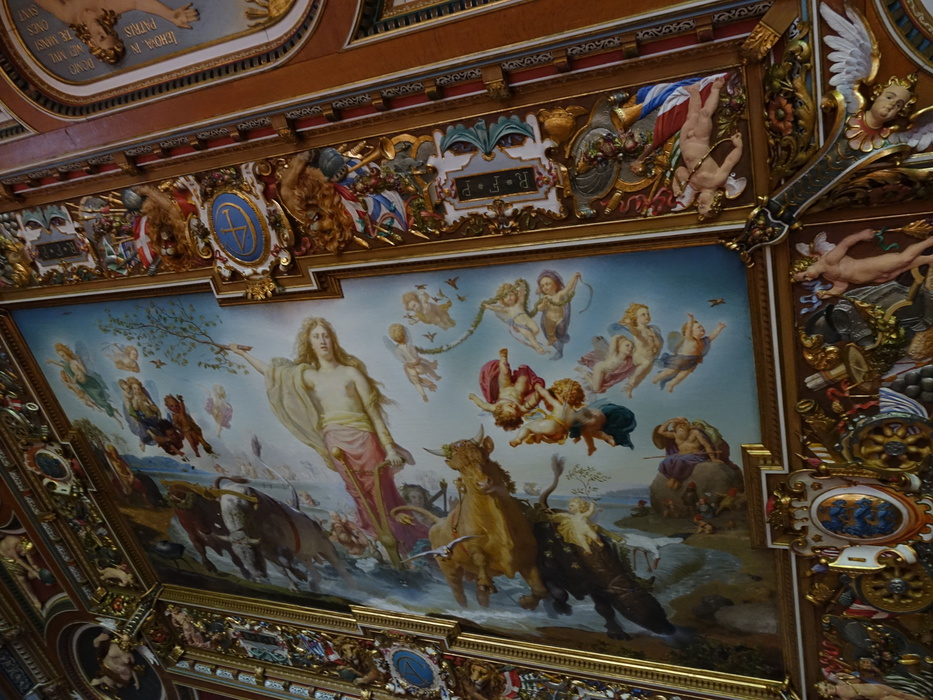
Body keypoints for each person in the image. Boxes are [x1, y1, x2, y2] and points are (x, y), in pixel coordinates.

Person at [225, 318, 428, 554]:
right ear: (310, 343)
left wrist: (390, 449)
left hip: (365, 441)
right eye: (316, 336)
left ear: (333, 340)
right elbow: (273, 373)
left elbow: (374, 415)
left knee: (382, 494)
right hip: (336, 444)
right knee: (359, 495)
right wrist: (242, 354)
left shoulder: (351, 373)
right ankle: (379, 544)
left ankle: (401, 542)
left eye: (325, 335)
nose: (322, 340)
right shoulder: (310, 376)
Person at [670, 77, 745, 221]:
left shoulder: (694, 186)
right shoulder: (717, 180)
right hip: (700, 141)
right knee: (704, 114)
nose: (698, 203)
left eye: (698, 206)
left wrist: (676, 186)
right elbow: (730, 161)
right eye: (703, 205)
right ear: (715, 200)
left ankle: (694, 92)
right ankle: (715, 89)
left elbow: (680, 171)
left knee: (691, 116)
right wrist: (738, 146)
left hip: (685, 144)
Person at [33, 0, 200, 65]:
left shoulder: (68, 14)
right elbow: (137, 2)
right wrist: (170, 15)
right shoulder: (108, 7)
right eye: (109, 33)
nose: (103, 30)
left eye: (101, 38)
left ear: (92, 42)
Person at [791, 228, 933, 297]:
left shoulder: (829, 260)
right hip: (876, 277)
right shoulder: (828, 275)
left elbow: (845, 244)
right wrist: (827, 294)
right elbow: (841, 286)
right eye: (806, 280)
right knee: (903, 268)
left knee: (904, 259)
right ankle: (929, 259)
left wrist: (861, 235)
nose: (808, 279)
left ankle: (928, 242)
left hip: (874, 266)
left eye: (805, 276)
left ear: (807, 265)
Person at [469, 348, 544, 430]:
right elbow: (533, 402)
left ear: (500, 410)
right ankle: (521, 370)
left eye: (510, 406)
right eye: (515, 409)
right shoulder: (521, 410)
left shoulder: (495, 407)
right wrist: (538, 393)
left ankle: (503, 357)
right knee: (523, 377)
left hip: (505, 387)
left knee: (505, 372)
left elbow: (482, 404)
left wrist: (473, 397)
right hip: (519, 390)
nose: (514, 405)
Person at [653, 417, 734, 490]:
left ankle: (674, 479)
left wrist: (713, 458)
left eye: (683, 424)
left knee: (680, 461)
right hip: (681, 456)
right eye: (678, 424)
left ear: (688, 426)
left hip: (695, 456)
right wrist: (670, 421)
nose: (681, 426)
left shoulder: (695, 432)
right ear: (675, 428)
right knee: (666, 461)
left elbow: (706, 444)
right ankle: (674, 479)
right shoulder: (675, 435)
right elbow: (660, 431)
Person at [652, 313, 726, 392]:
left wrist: (719, 328)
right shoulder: (690, 339)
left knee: (682, 376)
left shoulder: (704, 341)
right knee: (669, 372)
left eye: (702, 327)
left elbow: (712, 335)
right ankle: (657, 378)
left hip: (692, 362)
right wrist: (691, 320)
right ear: (692, 332)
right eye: (698, 327)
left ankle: (671, 384)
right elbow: (689, 330)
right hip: (681, 360)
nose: (702, 328)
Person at [509, 379, 586, 447]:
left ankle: (518, 439)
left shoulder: (558, 405)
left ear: (560, 396)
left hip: (552, 425)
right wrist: (577, 436)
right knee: (539, 422)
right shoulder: (574, 413)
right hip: (560, 435)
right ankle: (537, 437)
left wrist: (538, 387)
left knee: (527, 427)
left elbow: (545, 394)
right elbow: (578, 426)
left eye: (557, 395)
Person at [483, 281, 549, 354]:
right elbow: (497, 308)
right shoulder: (507, 309)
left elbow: (522, 295)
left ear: (515, 295)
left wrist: (522, 286)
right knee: (530, 336)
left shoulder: (519, 303)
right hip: (519, 325)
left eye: (511, 295)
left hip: (527, 320)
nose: (509, 298)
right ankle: (538, 348)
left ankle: (532, 340)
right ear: (502, 299)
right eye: (505, 296)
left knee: (536, 330)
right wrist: (488, 306)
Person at [615, 303, 663, 398]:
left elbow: (658, 344)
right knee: (645, 364)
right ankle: (632, 378)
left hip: (650, 358)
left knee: (642, 376)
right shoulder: (638, 329)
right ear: (635, 318)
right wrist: (629, 324)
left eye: (648, 314)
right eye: (643, 315)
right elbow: (634, 332)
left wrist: (655, 342)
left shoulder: (651, 330)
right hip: (639, 356)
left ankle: (630, 389)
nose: (647, 316)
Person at [385, 324, 441, 402]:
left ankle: (423, 395)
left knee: (416, 383)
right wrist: (419, 360)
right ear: (404, 335)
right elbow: (415, 357)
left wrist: (411, 363)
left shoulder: (397, 350)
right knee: (428, 368)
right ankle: (436, 377)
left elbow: (403, 360)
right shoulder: (410, 346)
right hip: (418, 366)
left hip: (410, 369)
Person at [534, 270, 582, 359]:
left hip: (559, 318)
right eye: (542, 286)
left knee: (561, 329)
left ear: (556, 284)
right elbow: (539, 308)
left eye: (547, 284)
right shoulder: (545, 298)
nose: (545, 287)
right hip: (549, 319)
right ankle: (552, 337)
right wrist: (543, 304)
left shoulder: (559, 295)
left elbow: (568, 288)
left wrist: (574, 277)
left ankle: (561, 338)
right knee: (549, 329)